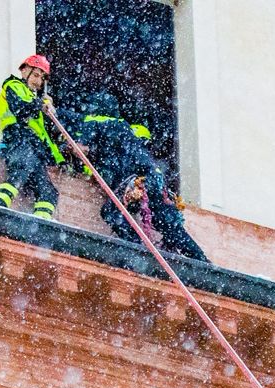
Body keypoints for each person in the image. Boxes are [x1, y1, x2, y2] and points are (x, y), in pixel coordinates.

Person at [71, 91, 210, 261]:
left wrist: (73, 148)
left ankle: (140, 252)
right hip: (155, 178)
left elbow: (82, 149)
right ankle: (202, 261)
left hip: (135, 178)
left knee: (111, 212)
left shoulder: (95, 123)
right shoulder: (123, 127)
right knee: (166, 222)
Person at [0, 55, 64, 221]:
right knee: (21, 168)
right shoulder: (13, 86)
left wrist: (50, 111)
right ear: (24, 71)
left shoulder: (35, 99)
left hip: (35, 146)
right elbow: (19, 108)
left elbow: (45, 131)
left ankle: (40, 224)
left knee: (48, 192)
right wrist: (40, 105)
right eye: (35, 75)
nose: (38, 82)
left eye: (42, 78)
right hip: (18, 137)